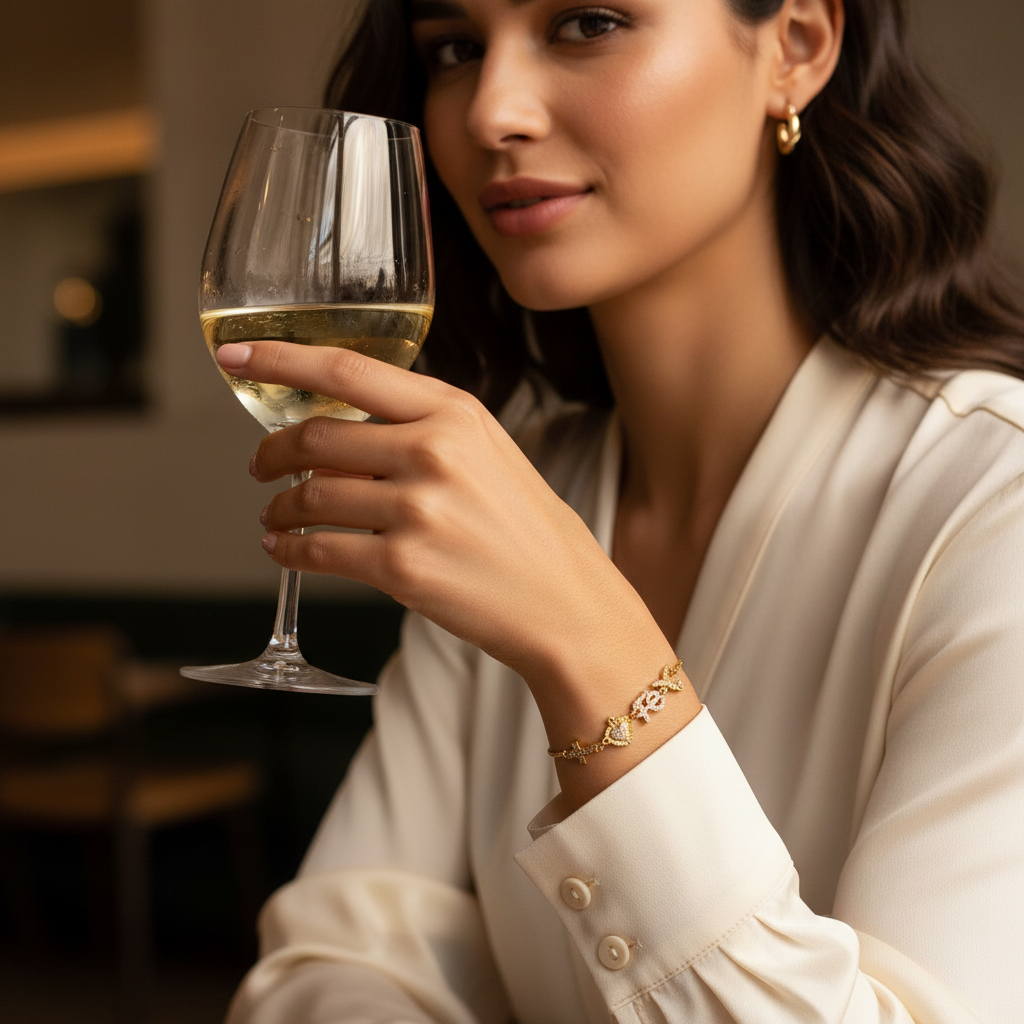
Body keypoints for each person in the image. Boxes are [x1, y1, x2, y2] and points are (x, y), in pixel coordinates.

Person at [224, 0, 1024, 1020]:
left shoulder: (992, 502)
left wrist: (583, 637)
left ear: (796, 46)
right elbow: (333, 962)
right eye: (455, 50)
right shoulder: (517, 491)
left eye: (586, 23)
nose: (490, 113)